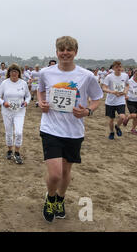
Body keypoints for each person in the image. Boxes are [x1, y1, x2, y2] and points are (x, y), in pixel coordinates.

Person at [37, 36, 102, 223]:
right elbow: (40, 90)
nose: (65, 52)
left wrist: (87, 111)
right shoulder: (45, 73)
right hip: (50, 128)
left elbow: (97, 98)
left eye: (69, 49)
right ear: (56, 52)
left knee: (66, 172)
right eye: (61, 49)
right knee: (55, 173)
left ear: (75, 52)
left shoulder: (87, 76)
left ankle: (60, 199)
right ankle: (50, 198)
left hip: (74, 131)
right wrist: (41, 102)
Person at [0, 64, 31, 164]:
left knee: (19, 132)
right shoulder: (5, 83)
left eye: (16, 71)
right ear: (9, 73)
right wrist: (3, 102)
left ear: (19, 73)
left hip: (19, 111)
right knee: (9, 132)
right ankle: (10, 150)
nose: (14, 73)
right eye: (12, 71)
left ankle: (17, 152)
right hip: (7, 111)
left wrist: (26, 102)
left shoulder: (23, 83)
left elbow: (28, 96)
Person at [102, 61, 129, 139]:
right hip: (110, 101)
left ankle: (117, 126)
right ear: (113, 68)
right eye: (117, 67)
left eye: (120, 67)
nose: (119, 68)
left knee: (122, 117)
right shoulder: (109, 77)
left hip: (120, 101)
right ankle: (111, 132)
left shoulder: (125, 76)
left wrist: (125, 92)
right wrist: (112, 92)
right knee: (111, 119)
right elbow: (104, 88)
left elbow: (127, 85)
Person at [124, 70, 137, 135]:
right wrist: (125, 95)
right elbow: (125, 88)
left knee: (136, 117)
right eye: (136, 74)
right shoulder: (129, 81)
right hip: (130, 101)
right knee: (135, 115)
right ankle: (128, 117)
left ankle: (133, 129)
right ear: (134, 74)